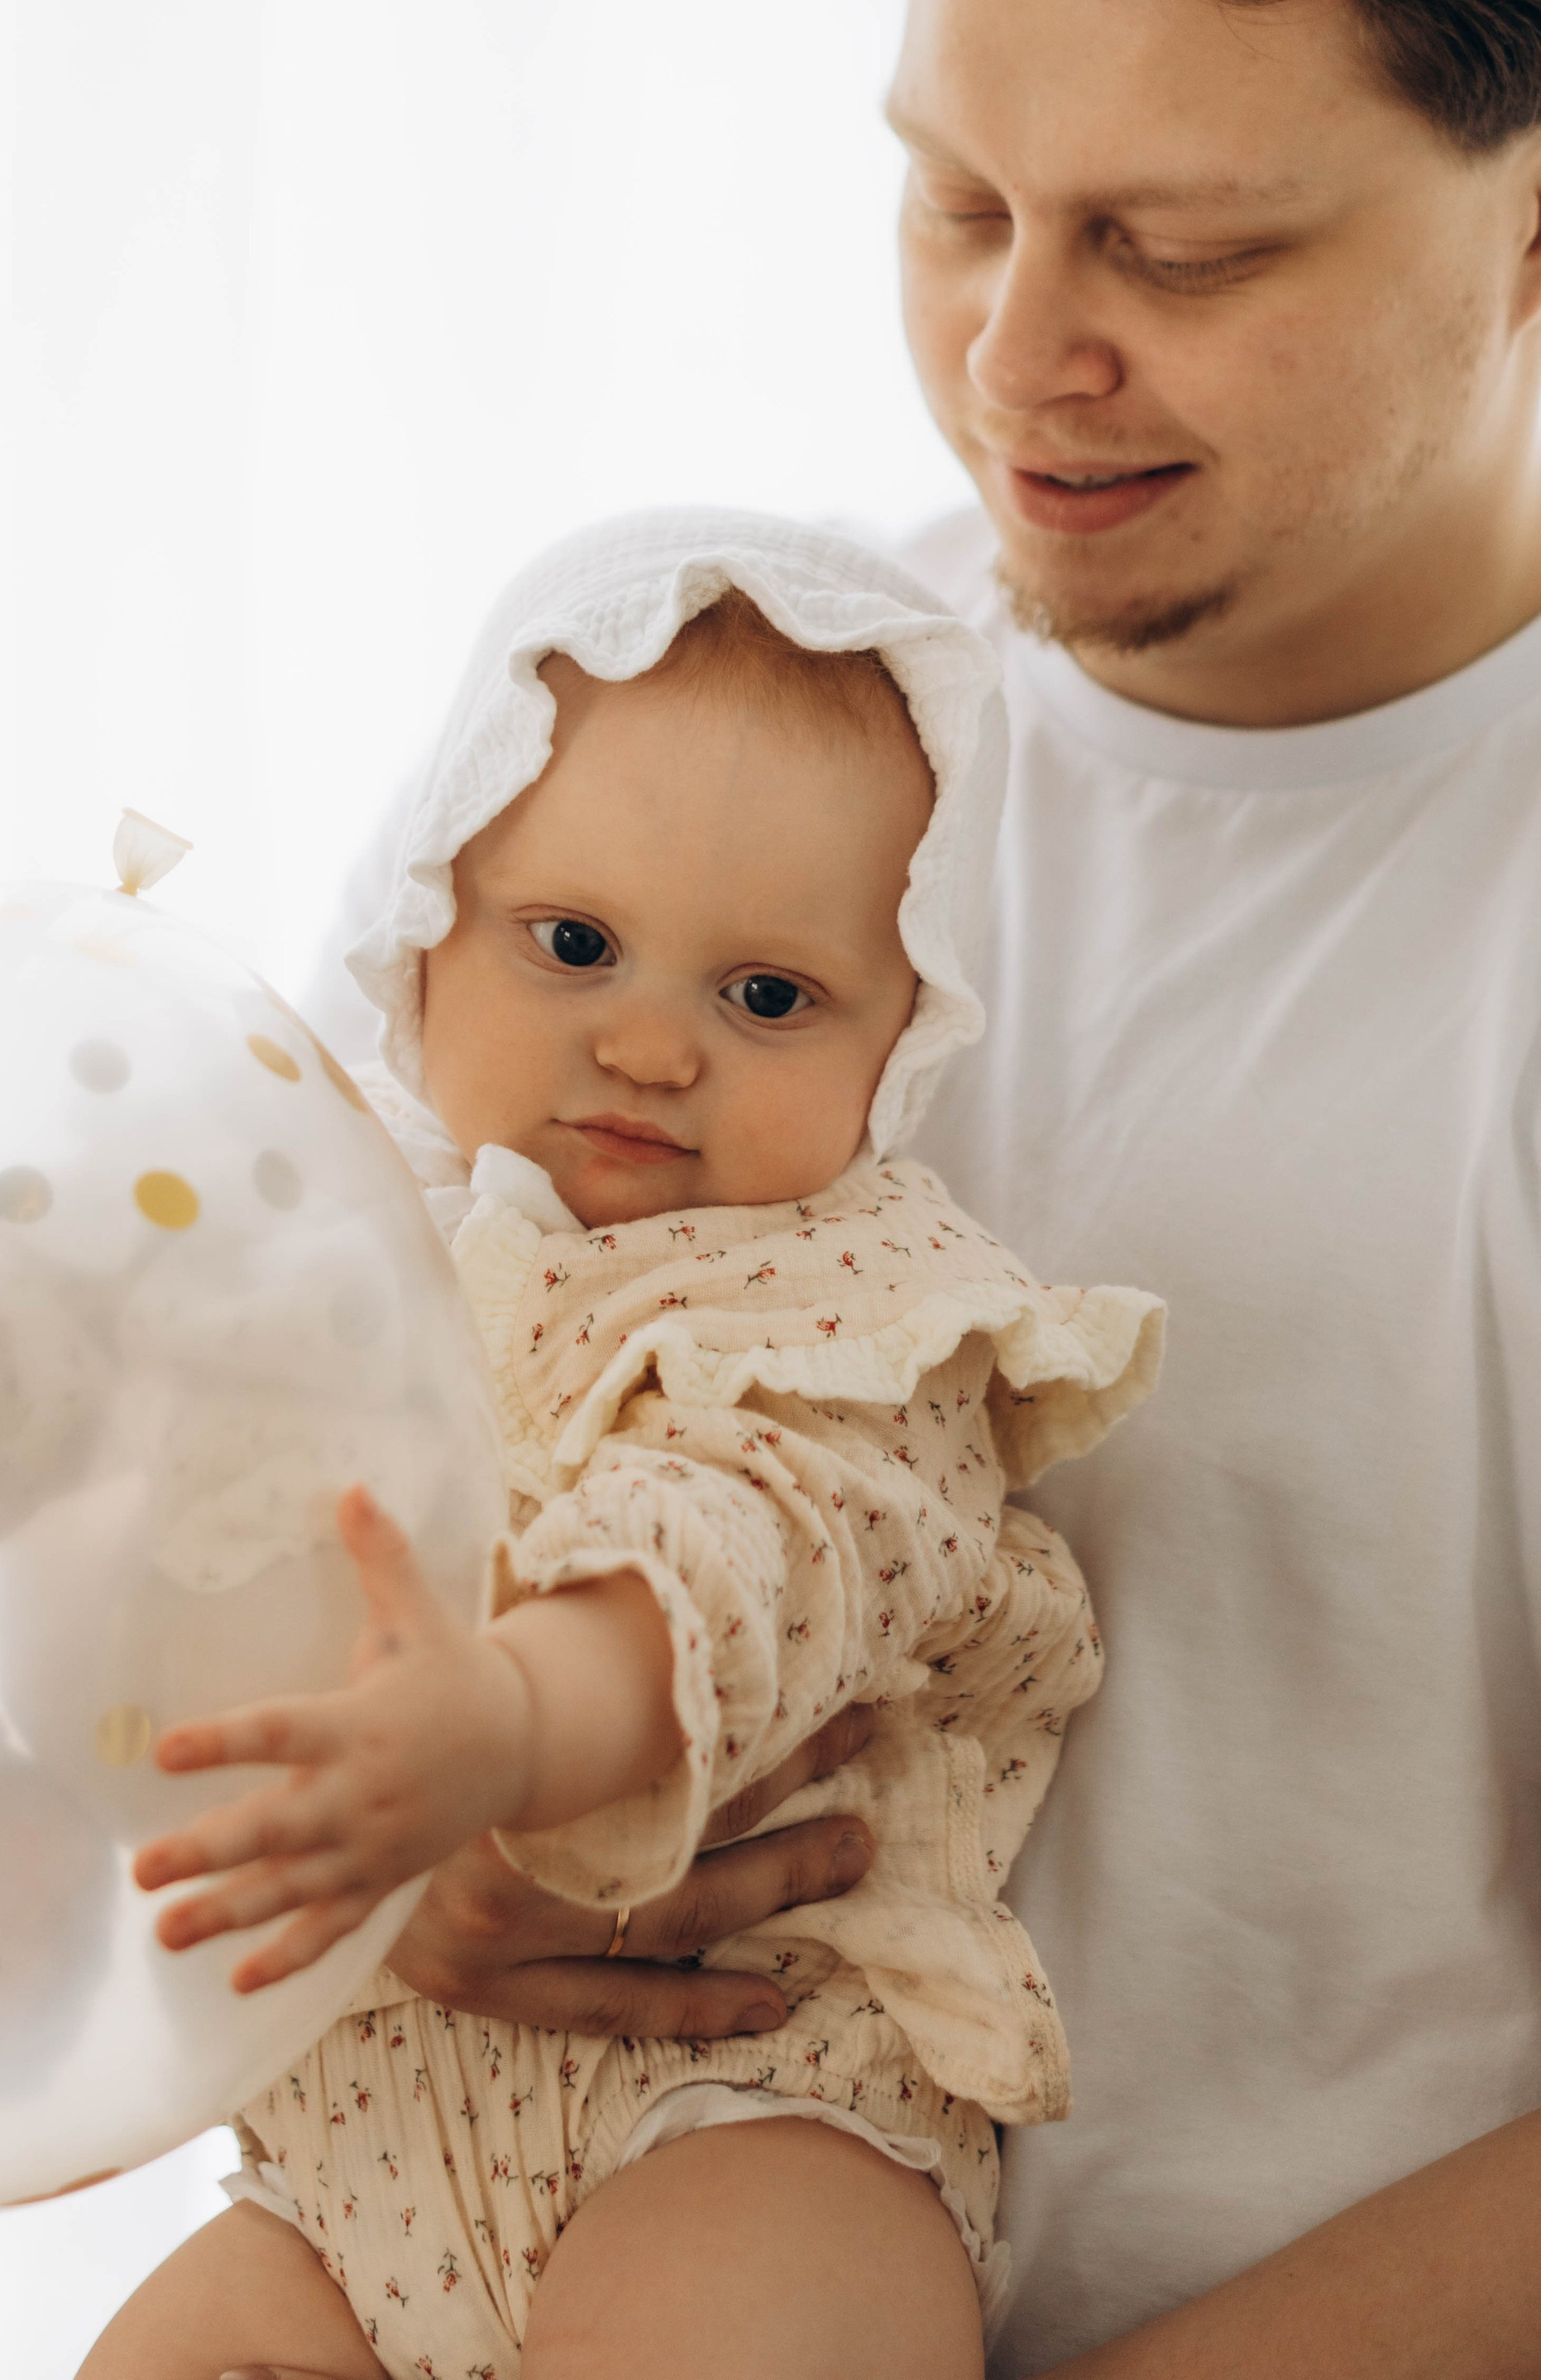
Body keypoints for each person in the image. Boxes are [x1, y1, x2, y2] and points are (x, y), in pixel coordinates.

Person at [289, 0, 1541, 2380]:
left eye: (1181, 249)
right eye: (958, 200)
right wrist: (445, 1831)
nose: (1013, 361)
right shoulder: (731, 778)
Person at [83, 515, 1161, 2380]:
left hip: (740, 2111)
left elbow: (748, 1557)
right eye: (573, 945)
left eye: (764, 998)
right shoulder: (328, 1259)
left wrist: (505, 1720)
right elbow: (115, 1518)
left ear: (898, 1039)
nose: (652, 1049)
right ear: (422, 929)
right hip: (345, 2178)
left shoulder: (847, 1307)